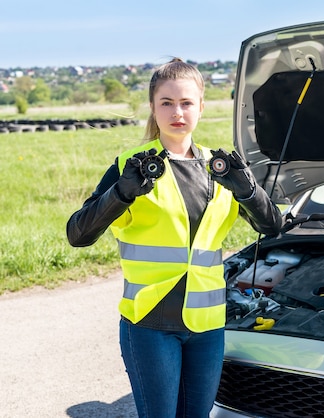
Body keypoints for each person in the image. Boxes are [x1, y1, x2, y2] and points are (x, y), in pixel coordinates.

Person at [66, 58, 282, 417]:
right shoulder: (130, 165)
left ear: (201, 106)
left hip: (208, 325)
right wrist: (120, 193)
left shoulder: (223, 167)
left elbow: (271, 226)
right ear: (153, 107)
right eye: (166, 102)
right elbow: (78, 234)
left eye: (186, 102)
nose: (176, 111)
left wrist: (248, 191)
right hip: (150, 324)